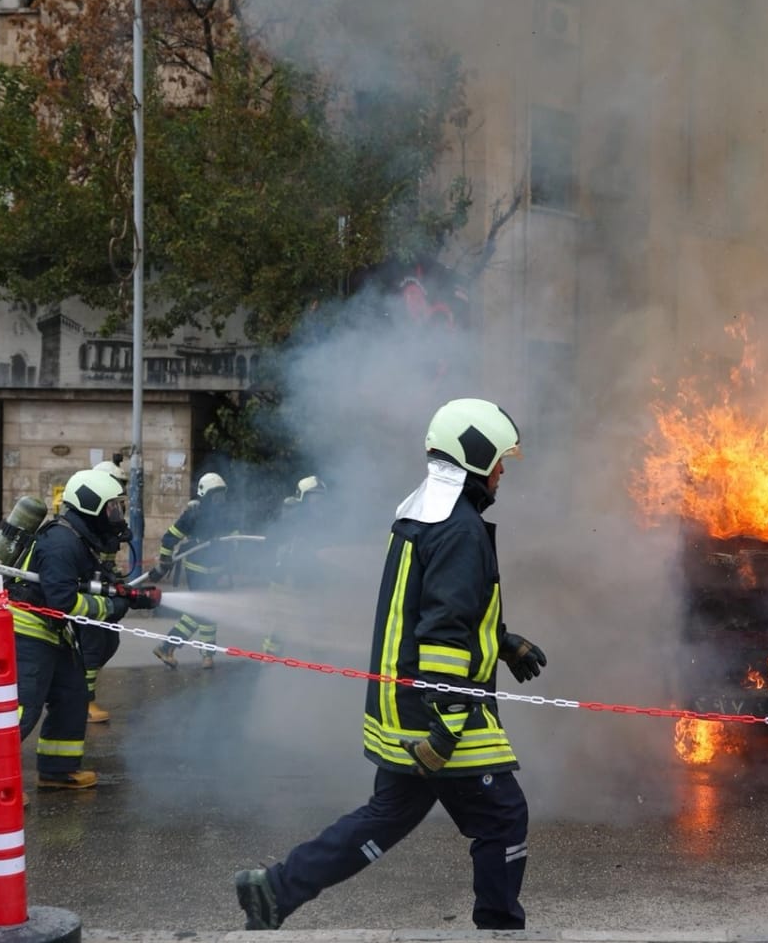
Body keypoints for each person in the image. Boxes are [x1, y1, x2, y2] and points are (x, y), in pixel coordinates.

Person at [233, 398, 547, 931]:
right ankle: (499, 928)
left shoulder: (422, 511)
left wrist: (502, 640)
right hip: (439, 710)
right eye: (497, 460)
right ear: (474, 456)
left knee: (385, 817)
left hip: (401, 703)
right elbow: (444, 633)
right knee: (503, 818)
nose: (500, 472)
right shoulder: (460, 528)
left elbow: (439, 609)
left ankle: (277, 890)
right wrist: (446, 731)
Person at [0, 467, 156, 805]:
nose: (117, 514)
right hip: (26, 628)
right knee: (23, 706)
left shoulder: (79, 537)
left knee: (72, 695)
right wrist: (111, 606)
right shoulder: (62, 542)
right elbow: (64, 602)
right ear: (91, 506)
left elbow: (83, 586)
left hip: (51, 630)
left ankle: (57, 770)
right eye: (111, 508)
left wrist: (126, 596)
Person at [150, 471, 236, 670]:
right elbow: (169, 538)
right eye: (216, 496)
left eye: (222, 495)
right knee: (204, 610)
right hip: (198, 570)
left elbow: (234, 536)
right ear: (205, 495)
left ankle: (203, 655)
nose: (220, 500)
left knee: (207, 611)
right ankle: (170, 646)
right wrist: (164, 560)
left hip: (216, 570)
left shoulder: (225, 514)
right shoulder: (193, 515)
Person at [77, 458, 131, 722]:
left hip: (102, 584)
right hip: (87, 592)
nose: (116, 507)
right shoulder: (87, 522)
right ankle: (83, 702)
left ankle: (78, 690)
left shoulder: (104, 520)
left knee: (109, 641)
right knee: (92, 645)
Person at [261, 476, 327, 656]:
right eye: (315, 497)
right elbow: (272, 539)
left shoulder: (317, 519)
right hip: (285, 579)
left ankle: (318, 661)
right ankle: (269, 658)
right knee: (279, 622)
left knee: (313, 620)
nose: (319, 501)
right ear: (304, 497)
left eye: (321, 497)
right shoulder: (293, 516)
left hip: (307, 579)